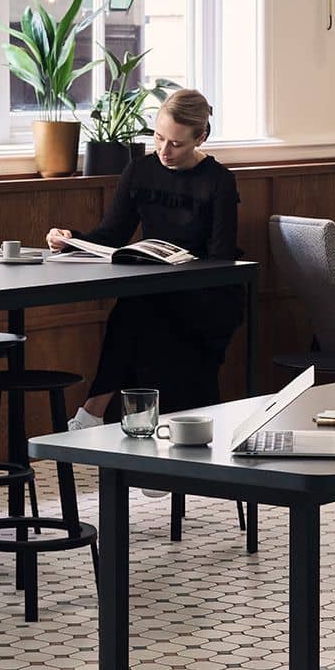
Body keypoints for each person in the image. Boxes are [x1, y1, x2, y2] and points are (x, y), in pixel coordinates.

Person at [46, 88, 240, 425]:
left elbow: (221, 257)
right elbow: (111, 236)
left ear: (201, 137)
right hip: (156, 292)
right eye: (158, 137)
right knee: (139, 309)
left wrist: (182, 268)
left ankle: (91, 413)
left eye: (176, 144)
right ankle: (107, 422)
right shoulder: (139, 171)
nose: (164, 150)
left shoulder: (219, 181)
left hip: (209, 294)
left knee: (135, 310)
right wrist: (70, 239)